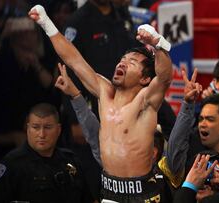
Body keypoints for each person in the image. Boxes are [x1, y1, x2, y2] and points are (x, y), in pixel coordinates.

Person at [29, 5, 173, 202]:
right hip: (108, 190)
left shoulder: (145, 101)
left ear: (145, 79)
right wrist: (46, 23)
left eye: (131, 63)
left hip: (142, 194)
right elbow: (73, 59)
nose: (122, 63)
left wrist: (157, 44)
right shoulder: (104, 91)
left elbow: (164, 77)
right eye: (122, 59)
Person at [0, 103, 92, 203]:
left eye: (48, 127)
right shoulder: (12, 166)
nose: (41, 134)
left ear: (58, 130)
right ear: (27, 129)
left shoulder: (71, 161)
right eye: (35, 127)